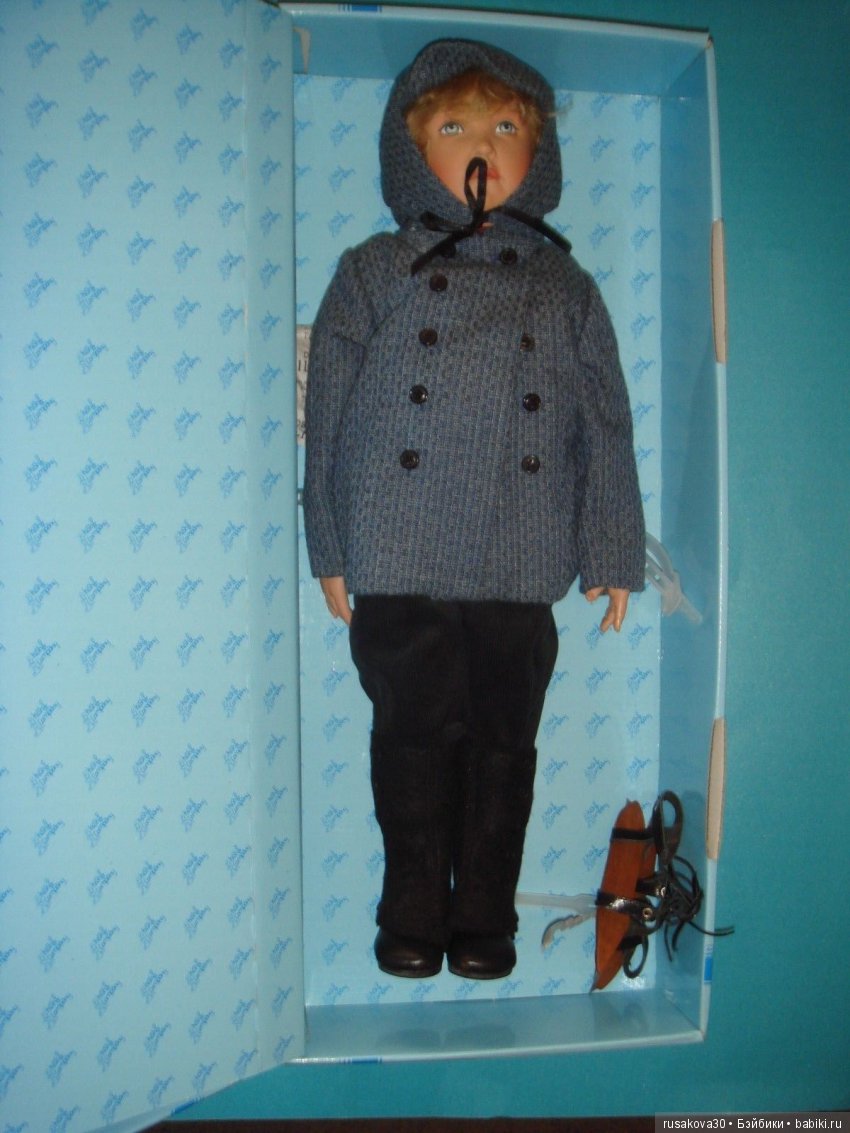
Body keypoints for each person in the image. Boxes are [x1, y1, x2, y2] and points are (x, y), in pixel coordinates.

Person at [303, 39, 645, 980]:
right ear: (412, 150)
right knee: (409, 740)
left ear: (539, 155)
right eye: (454, 126)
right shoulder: (373, 270)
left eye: (504, 126)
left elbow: (605, 422)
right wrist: (329, 542)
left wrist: (612, 550)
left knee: (505, 745)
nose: (482, 144)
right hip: (394, 546)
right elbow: (327, 414)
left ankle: (485, 914)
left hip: (521, 553)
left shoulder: (566, 287)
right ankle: (411, 910)